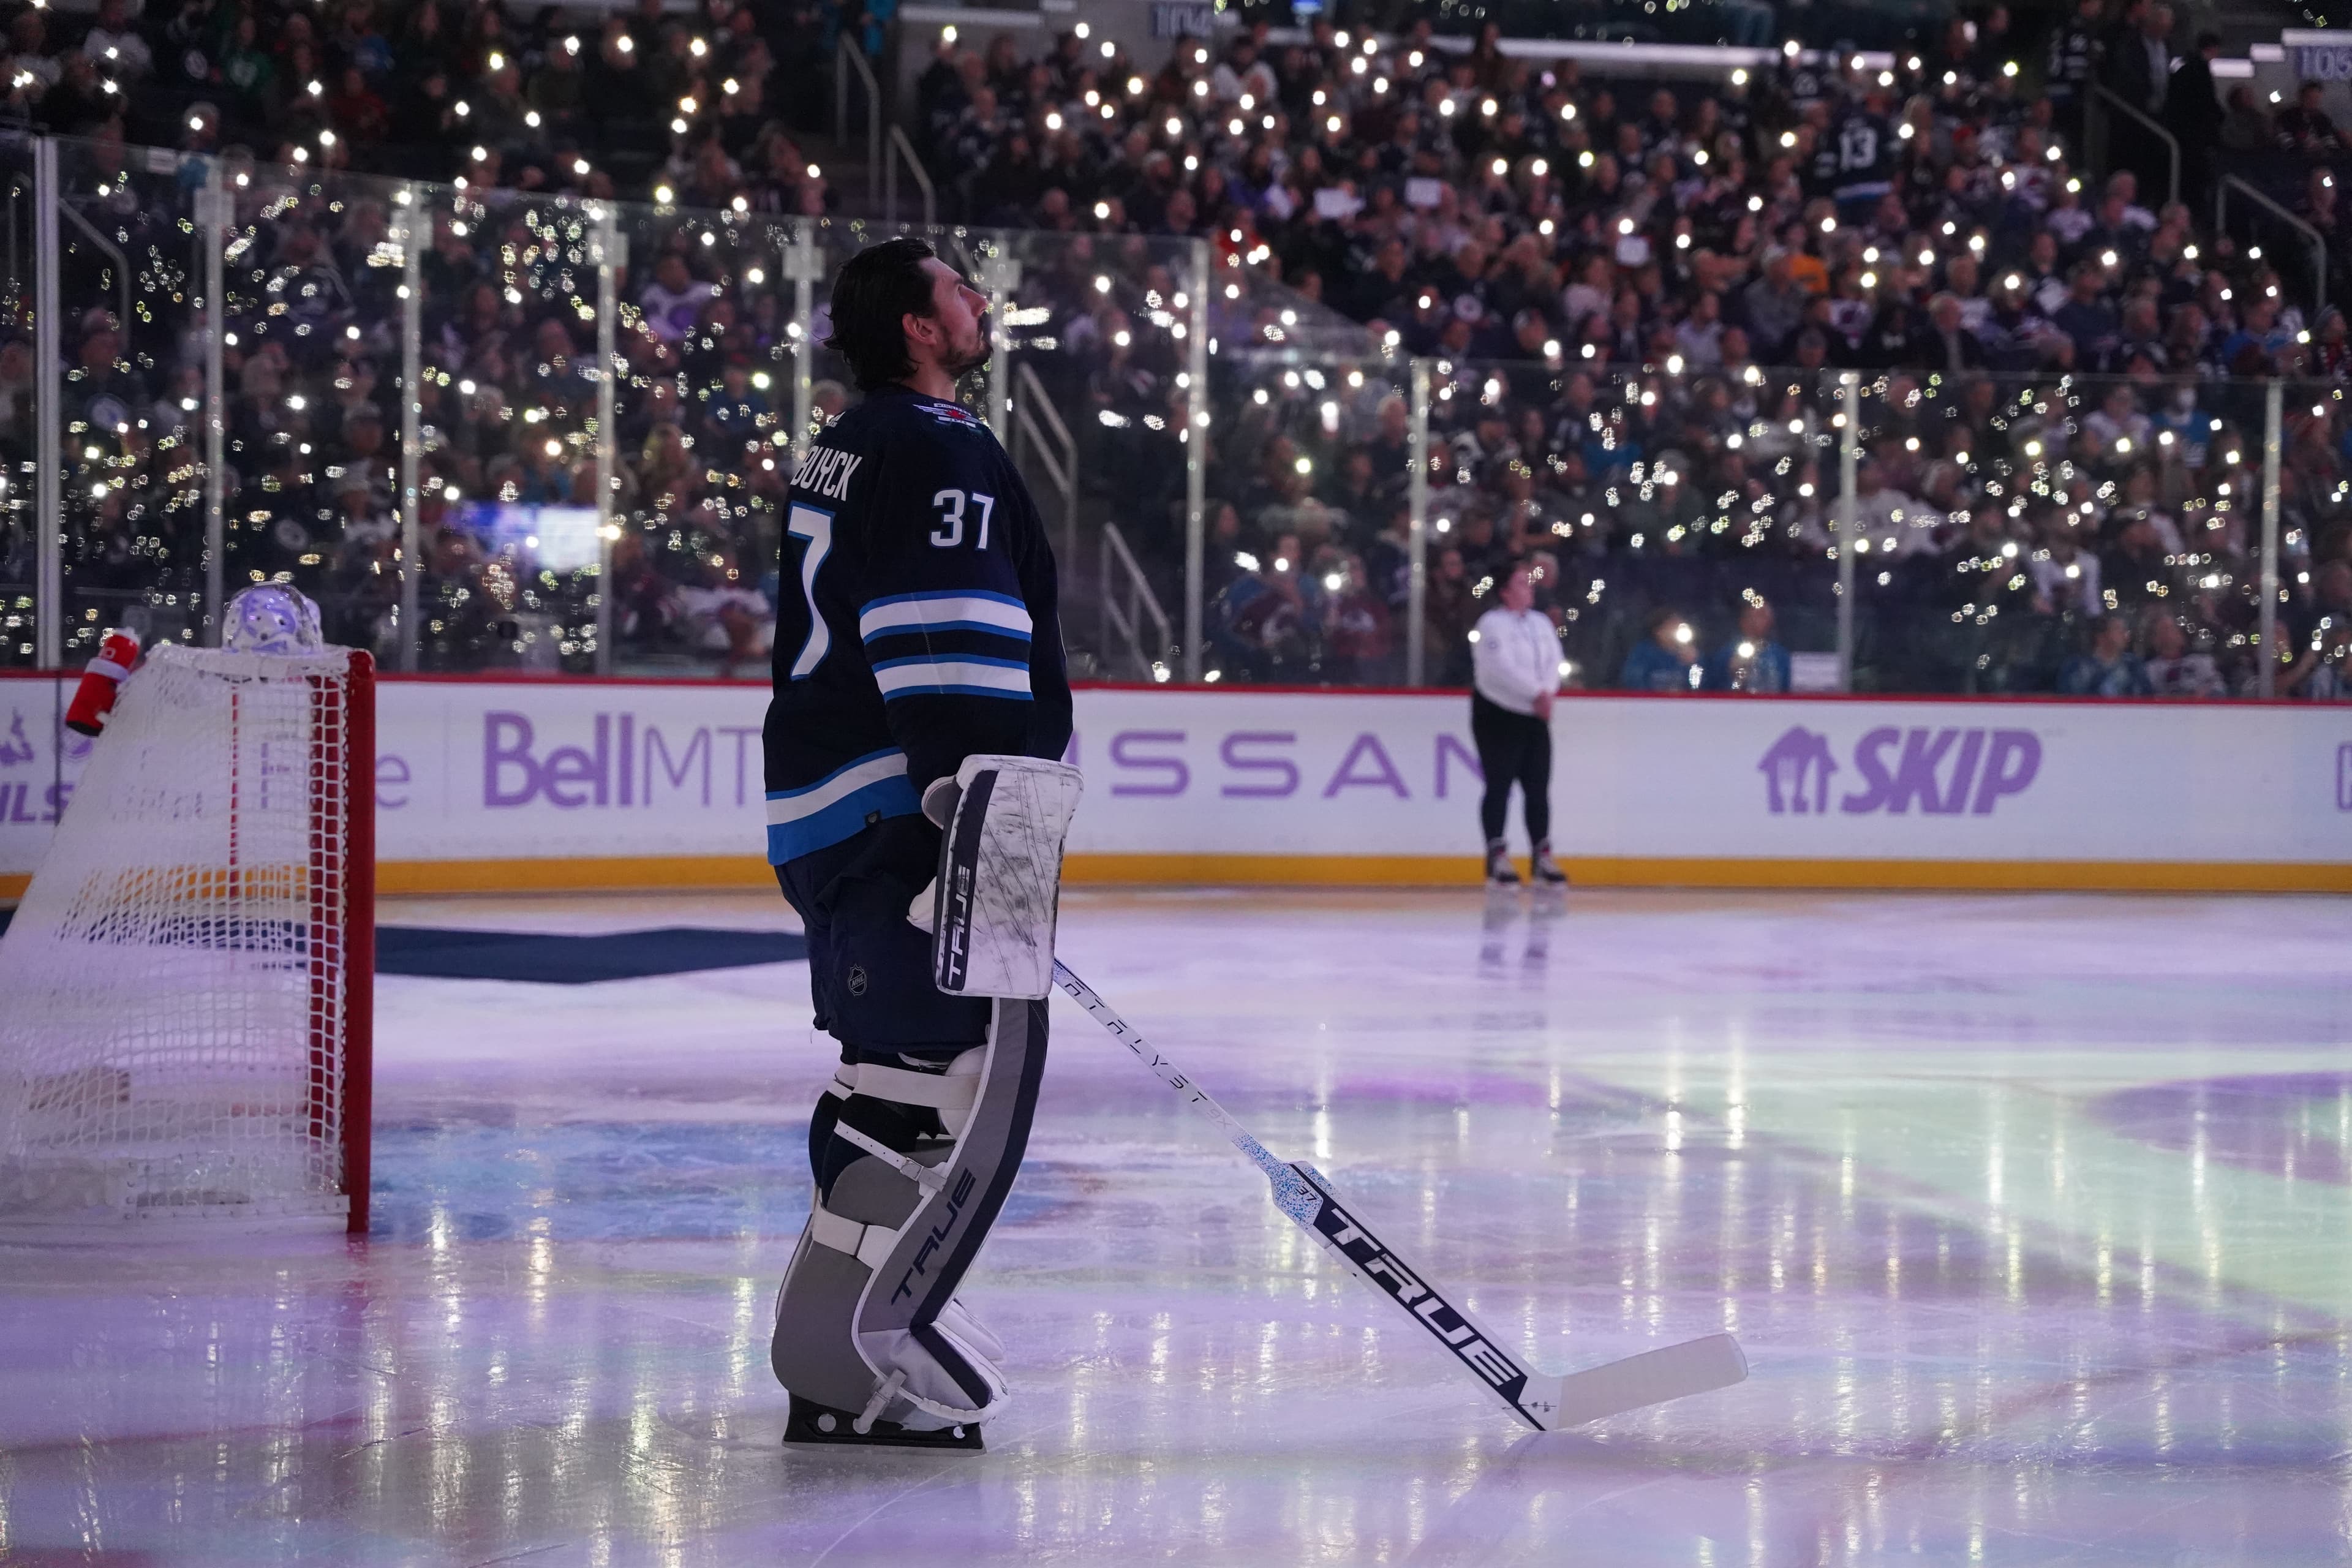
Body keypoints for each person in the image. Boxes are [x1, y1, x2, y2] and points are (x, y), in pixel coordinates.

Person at [761, 238, 1074, 1450]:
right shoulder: (938, 444)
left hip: (840, 806)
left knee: (888, 1068)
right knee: (920, 1082)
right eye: (955, 286)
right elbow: (949, 640)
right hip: (908, 810)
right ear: (914, 324)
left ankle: (863, 1334)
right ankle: (843, 1360)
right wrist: (982, 817)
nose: (977, 299)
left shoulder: (839, 442)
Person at [1469, 564, 1566, 887]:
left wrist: (1547, 692)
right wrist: (1536, 693)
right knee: (1500, 785)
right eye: (1522, 583)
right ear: (1505, 592)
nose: (1530, 588)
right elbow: (1499, 669)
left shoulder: (1540, 624)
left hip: (1535, 715)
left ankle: (1542, 855)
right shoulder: (1491, 625)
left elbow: (1555, 659)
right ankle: (1497, 856)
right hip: (1499, 713)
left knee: (1538, 787)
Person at [1702, 599, 1793, 692]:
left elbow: (1786, 689)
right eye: (1760, 615)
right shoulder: (1727, 653)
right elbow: (1713, 689)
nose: (1767, 619)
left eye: (1768, 616)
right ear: (1744, 620)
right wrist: (1734, 676)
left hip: (1774, 705)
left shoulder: (1780, 654)